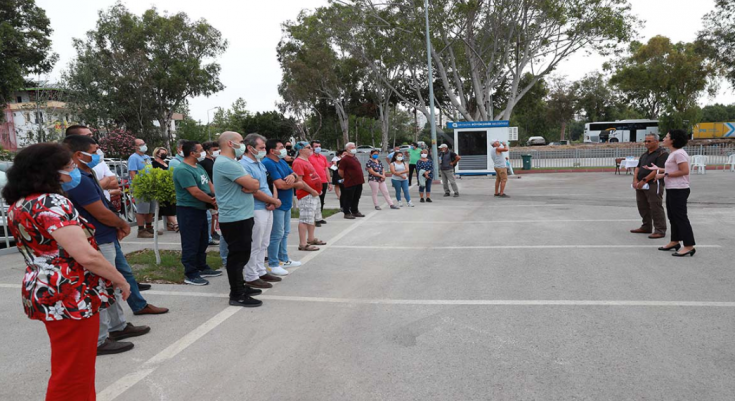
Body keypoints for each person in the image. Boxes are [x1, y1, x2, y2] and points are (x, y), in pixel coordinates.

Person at [3, 143, 131, 399]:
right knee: (75, 369)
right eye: (69, 166)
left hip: (48, 288)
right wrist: (120, 279)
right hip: (69, 292)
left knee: (69, 364)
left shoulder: (21, 204)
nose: (73, 171)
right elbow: (86, 255)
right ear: (51, 171)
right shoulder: (52, 202)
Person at [63, 135, 166, 349]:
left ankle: (117, 326)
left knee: (115, 282)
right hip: (98, 238)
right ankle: (100, 339)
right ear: (79, 154)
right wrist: (122, 224)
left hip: (106, 236)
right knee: (102, 285)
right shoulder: (78, 179)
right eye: (95, 149)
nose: (99, 154)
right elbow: (99, 211)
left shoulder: (86, 173)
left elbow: (102, 203)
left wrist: (115, 226)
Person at [210, 132, 265, 305]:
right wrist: (251, 185)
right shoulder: (226, 163)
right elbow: (254, 184)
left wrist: (251, 185)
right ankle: (237, 294)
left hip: (241, 215)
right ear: (230, 143)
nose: (243, 144)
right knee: (238, 256)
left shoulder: (231, 162)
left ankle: (241, 285)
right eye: (240, 142)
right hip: (235, 217)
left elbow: (254, 184)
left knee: (243, 254)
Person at [239, 133, 288, 288]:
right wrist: (272, 200)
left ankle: (260, 270)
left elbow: (268, 183)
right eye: (260, 148)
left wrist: (272, 200)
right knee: (255, 243)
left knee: (264, 242)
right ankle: (251, 275)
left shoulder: (259, 162)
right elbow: (251, 189)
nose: (263, 150)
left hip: (267, 206)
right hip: (256, 208)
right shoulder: (244, 165)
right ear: (249, 148)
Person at [173, 140, 223, 285]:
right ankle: (190, 273)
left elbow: (209, 184)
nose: (203, 152)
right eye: (200, 150)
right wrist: (212, 201)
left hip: (201, 209)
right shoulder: (183, 170)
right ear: (192, 153)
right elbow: (194, 192)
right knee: (190, 242)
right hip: (188, 210)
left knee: (202, 240)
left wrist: (217, 197)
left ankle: (202, 266)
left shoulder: (198, 167)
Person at [644, 130, 696, 257]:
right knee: (673, 217)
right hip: (672, 188)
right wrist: (658, 169)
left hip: (680, 189)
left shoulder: (679, 154)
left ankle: (689, 246)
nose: (664, 138)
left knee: (681, 217)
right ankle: (674, 241)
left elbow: (684, 171)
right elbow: (673, 168)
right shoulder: (674, 153)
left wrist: (664, 174)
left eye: (667, 137)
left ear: (673, 140)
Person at [262, 138, 304, 271]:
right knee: (276, 234)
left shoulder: (281, 161)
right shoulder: (268, 163)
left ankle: (284, 258)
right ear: (272, 150)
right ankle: (273, 263)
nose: (284, 150)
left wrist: (293, 177)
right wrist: (296, 182)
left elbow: (295, 175)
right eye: (280, 147)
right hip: (276, 203)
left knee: (285, 232)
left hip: (286, 203)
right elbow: (280, 184)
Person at [631, 133, 668, 238]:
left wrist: (645, 180)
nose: (646, 143)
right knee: (642, 206)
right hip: (641, 184)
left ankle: (660, 229)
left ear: (656, 141)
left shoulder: (662, 154)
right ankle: (646, 226)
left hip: (653, 184)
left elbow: (657, 169)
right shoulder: (645, 154)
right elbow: (638, 168)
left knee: (655, 206)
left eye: (649, 141)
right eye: (645, 141)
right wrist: (635, 180)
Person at [293, 141, 326, 251]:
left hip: (314, 194)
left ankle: (311, 238)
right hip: (306, 194)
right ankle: (303, 243)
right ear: (301, 150)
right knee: (305, 219)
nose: (311, 149)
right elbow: (300, 181)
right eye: (308, 148)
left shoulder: (307, 160)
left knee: (312, 217)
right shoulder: (298, 162)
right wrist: (311, 190)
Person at [127, 139, 157, 238]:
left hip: (150, 186)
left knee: (150, 209)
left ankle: (149, 228)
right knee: (141, 209)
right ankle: (141, 230)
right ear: (135, 147)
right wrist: (138, 186)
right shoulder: (133, 158)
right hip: (141, 187)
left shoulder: (147, 157)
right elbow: (133, 173)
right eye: (141, 144)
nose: (144, 146)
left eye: (144, 144)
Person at [152, 147, 179, 232]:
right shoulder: (154, 163)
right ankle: (176, 224)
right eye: (162, 153)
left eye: (165, 153)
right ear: (157, 154)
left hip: (169, 186)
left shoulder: (166, 162)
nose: (164, 154)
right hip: (161, 187)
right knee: (167, 206)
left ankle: (169, 224)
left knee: (171, 205)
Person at [200, 141, 220, 246]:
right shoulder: (203, 162)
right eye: (214, 150)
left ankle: (212, 231)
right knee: (211, 214)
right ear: (207, 151)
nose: (217, 152)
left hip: (215, 189)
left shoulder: (214, 161)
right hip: (209, 191)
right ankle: (210, 233)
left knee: (213, 214)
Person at [338, 142, 365, 219]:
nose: (354, 149)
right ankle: (346, 212)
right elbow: (340, 171)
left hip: (358, 181)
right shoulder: (344, 159)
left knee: (356, 197)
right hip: (350, 181)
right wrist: (346, 177)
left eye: (354, 147)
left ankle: (355, 210)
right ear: (347, 149)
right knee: (348, 197)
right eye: (352, 148)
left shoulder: (354, 157)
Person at [309, 140, 332, 226]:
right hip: (314, 182)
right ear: (312, 148)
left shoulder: (323, 157)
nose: (318, 148)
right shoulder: (309, 157)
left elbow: (326, 170)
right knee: (314, 200)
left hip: (323, 181)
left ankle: (319, 217)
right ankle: (314, 219)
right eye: (316, 146)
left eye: (319, 146)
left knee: (321, 200)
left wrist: (329, 182)